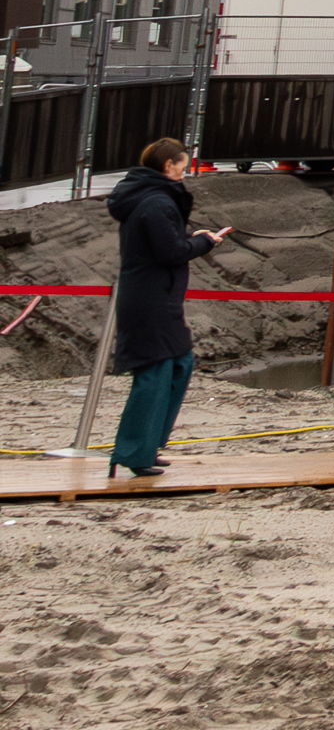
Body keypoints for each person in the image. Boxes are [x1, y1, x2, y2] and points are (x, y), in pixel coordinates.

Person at [103, 140, 229, 483]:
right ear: (167, 167)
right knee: (154, 372)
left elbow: (166, 242)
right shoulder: (156, 201)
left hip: (156, 296)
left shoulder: (150, 197)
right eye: (182, 165)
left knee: (179, 362)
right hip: (149, 299)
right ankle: (133, 454)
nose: (184, 171)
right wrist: (205, 242)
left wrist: (193, 236)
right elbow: (170, 251)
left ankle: (147, 446)